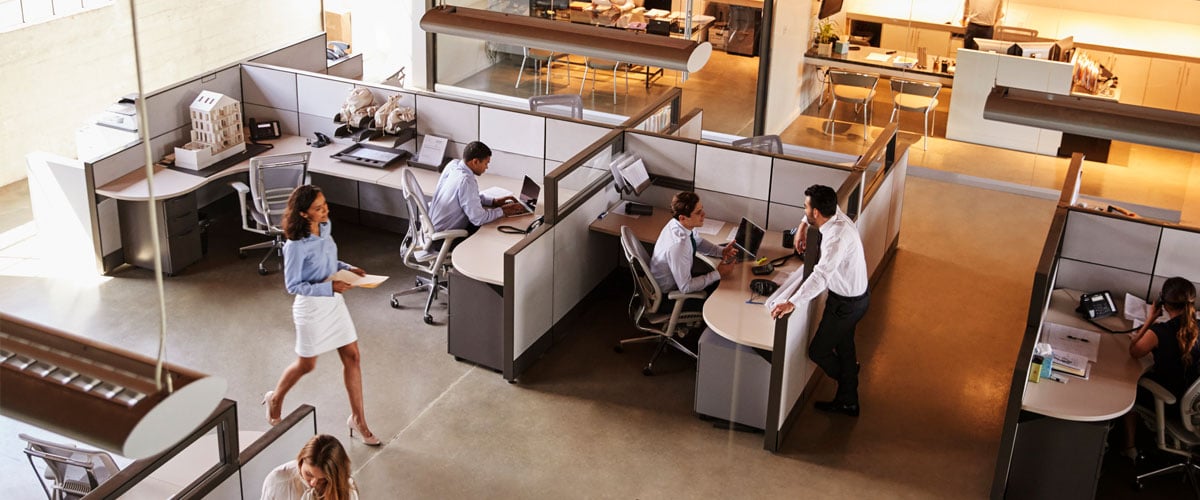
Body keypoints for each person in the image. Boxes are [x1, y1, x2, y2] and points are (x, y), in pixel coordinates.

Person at [263, 185, 380, 447]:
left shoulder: (325, 227)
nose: (325, 210)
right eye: (318, 208)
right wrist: (329, 287)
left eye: (324, 204)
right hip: (312, 307)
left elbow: (328, 262)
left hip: (334, 302)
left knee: (353, 356)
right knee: (307, 365)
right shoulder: (295, 246)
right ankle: (276, 397)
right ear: (304, 214)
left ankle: (358, 420)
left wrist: (348, 268)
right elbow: (293, 285)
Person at [769, 185, 869, 417]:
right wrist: (802, 226)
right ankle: (849, 400)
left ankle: (849, 380)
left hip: (846, 304)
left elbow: (821, 276)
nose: (804, 209)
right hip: (854, 298)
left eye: (806, 208)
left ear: (816, 212)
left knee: (818, 351)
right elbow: (811, 214)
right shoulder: (835, 215)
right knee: (845, 346)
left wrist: (792, 302)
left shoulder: (835, 239)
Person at [1120, 277, 1200, 461]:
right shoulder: (1197, 327)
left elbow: (1134, 351)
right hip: (1194, 407)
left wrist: (1150, 320)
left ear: (1164, 302)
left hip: (1172, 404)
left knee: (1131, 388)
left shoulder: (1160, 332)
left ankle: (1129, 447)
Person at [649, 191, 738, 314]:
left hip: (680, 281)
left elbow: (698, 242)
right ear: (683, 218)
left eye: (702, 209)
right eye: (698, 213)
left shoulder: (681, 225)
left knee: (720, 284)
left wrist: (721, 251)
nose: (704, 214)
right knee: (722, 298)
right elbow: (686, 287)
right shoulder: (678, 246)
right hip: (670, 296)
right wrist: (718, 273)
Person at [427, 141, 526, 250]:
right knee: (491, 233)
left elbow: (468, 197)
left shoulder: (453, 165)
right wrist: (504, 211)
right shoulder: (466, 180)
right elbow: (478, 219)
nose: (486, 167)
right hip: (444, 239)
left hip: (432, 230)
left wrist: (494, 202)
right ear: (475, 161)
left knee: (490, 223)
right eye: (485, 163)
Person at [261, 434, 358, 500]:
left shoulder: (345, 489)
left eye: (323, 479)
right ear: (301, 459)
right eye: (309, 474)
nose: (313, 483)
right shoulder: (277, 481)